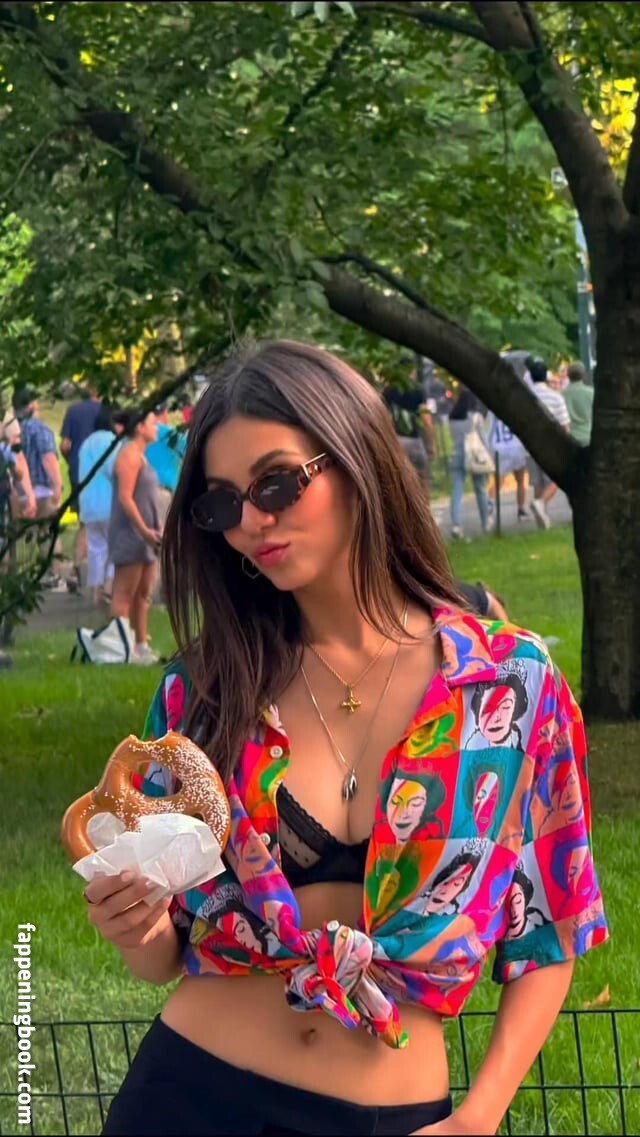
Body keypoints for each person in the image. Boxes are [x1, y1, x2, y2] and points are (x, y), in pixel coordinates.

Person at [86, 340, 608, 1137]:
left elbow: (551, 926)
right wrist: (138, 925)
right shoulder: (204, 692)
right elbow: (165, 951)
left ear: (356, 454)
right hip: (187, 1094)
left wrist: (478, 1117)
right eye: (222, 504)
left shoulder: (508, 685)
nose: (251, 522)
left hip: (391, 1114)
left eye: (276, 482)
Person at [108, 408, 161, 664]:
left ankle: (141, 646)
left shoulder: (142, 456)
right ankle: (120, 649)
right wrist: (143, 530)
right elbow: (125, 498)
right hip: (131, 534)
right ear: (139, 427)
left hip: (147, 535)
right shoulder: (128, 455)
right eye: (152, 422)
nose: (156, 427)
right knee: (124, 594)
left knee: (143, 593)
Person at [13, 385, 65, 589]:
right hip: (42, 490)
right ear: (32, 405)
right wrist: (58, 484)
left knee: (26, 536)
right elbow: (48, 458)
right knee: (49, 534)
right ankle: (55, 575)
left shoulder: (12, 429)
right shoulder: (39, 429)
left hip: (19, 491)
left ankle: (23, 578)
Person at [78, 405, 122, 605]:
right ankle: (109, 588)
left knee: (96, 548)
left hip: (88, 505)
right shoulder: (112, 442)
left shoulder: (86, 444)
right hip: (109, 503)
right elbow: (116, 471)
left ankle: (96, 590)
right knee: (114, 547)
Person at [60, 383, 102, 590]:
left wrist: (70, 462)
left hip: (79, 473)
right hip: (102, 474)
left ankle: (76, 568)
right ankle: (104, 577)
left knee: (84, 523)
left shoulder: (73, 410)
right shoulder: (106, 412)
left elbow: (65, 445)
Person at [525, 358, 570, 530]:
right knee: (556, 478)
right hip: (550, 445)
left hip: (529, 445)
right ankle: (541, 503)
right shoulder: (555, 397)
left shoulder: (525, 397)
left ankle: (541, 518)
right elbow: (564, 425)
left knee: (537, 482)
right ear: (546, 376)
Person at [447, 387, 491, 539]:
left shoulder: (452, 417)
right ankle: (485, 521)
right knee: (480, 489)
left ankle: (456, 525)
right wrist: (488, 454)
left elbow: (453, 438)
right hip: (474, 455)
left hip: (457, 454)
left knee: (456, 490)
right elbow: (482, 437)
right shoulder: (475, 417)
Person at [383, 360, 436, 485]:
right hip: (414, 441)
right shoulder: (417, 389)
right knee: (421, 482)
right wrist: (431, 445)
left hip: (396, 442)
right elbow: (426, 419)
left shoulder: (388, 391)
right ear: (411, 370)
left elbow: (384, 418)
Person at [145, 401, 186, 526]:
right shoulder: (172, 435)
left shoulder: (141, 433)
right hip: (162, 491)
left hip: (141, 492)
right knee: (162, 532)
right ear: (165, 413)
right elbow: (189, 454)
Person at [484, 411, 528, 522]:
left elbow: (490, 430)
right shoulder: (514, 407)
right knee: (520, 481)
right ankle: (521, 510)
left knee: (499, 480)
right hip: (516, 445)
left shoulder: (492, 411)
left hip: (500, 446)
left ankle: (490, 502)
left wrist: (489, 448)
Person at [562, 362, 594, 447]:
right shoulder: (591, 393)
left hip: (570, 437)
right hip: (588, 436)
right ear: (583, 375)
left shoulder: (562, 395)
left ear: (568, 375)